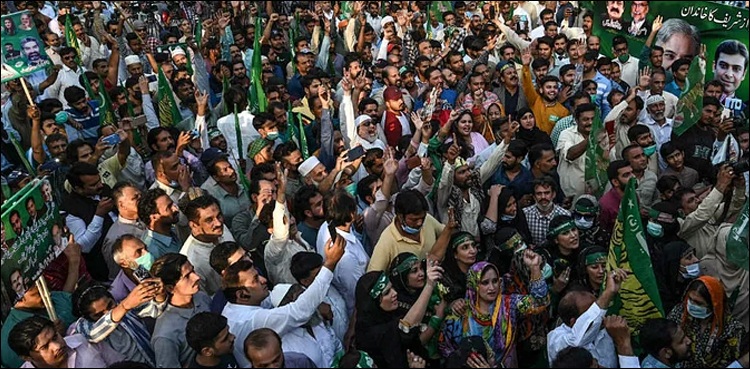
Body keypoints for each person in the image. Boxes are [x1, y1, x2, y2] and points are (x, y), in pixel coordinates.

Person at [221, 234, 345, 369]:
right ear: (242, 294)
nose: (263, 280)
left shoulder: (239, 304)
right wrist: (330, 264)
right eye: (255, 280)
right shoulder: (251, 320)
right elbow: (298, 311)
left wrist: (309, 300)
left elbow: (276, 296)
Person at [440, 256, 549, 367]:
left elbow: (540, 303)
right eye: (485, 283)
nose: (492, 288)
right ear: (474, 284)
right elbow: (445, 348)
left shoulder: (509, 305)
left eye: (495, 281)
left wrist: (535, 268)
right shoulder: (460, 311)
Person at [354, 260, 443, 368]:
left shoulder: (392, 312)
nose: (395, 293)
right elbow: (406, 326)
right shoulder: (370, 333)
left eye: (392, 288)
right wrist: (429, 285)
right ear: (373, 303)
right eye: (387, 293)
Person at [70, 279, 166, 367]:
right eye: (99, 315)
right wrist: (124, 306)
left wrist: (159, 294)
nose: (108, 313)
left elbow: (155, 309)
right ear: (87, 317)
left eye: (110, 305)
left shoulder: (124, 307)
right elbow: (93, 334)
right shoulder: (82, 326)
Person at [547, 268, 628, 368]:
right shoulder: (557, 340)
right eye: (592, 311)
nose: (600, 314)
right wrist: (608, 293)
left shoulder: (605, 329)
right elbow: (576, 341)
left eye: (596, 304)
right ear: (574, 322)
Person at [667, 276, 747, 368]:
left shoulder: (732, 329)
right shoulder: (679, 312)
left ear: (713, 305)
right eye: (690, 299)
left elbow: (733, 361)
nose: (692, 305)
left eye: (698, 303)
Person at [150, 253, 213, 368]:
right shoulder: (165, 336)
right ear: (170, 288)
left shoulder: (201, 297)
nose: (196, 277)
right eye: (187, 276)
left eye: (193, 271)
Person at [388, 252, 447, 364]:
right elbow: (417, 341)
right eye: (414, 271)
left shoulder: (428, 292)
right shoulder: (396, 305)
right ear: (403, 277)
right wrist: (437, 317)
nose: (421, 274)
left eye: (421, 268)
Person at [181, 195, 235, 297]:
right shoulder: (191, 261)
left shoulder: (218, 229)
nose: (218, 223)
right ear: (194, 226)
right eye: (209, 220)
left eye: (219, 216)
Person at [8, 316, 109, 368]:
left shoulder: (82, 341)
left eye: (55, 337)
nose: (57, 346)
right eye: (45, 347)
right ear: (27, 357)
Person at [523, 177, 571, 247]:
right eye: (539, 194)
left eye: (547, 193)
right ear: (534, 196)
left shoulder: (565, 214)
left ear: (554, 194)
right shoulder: (525, 214)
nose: (543, 197)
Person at [243, 328, 316, 368]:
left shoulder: (301, 363)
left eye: (276, 360)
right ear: (252, 362)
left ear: (281, 349)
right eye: (264, 366)